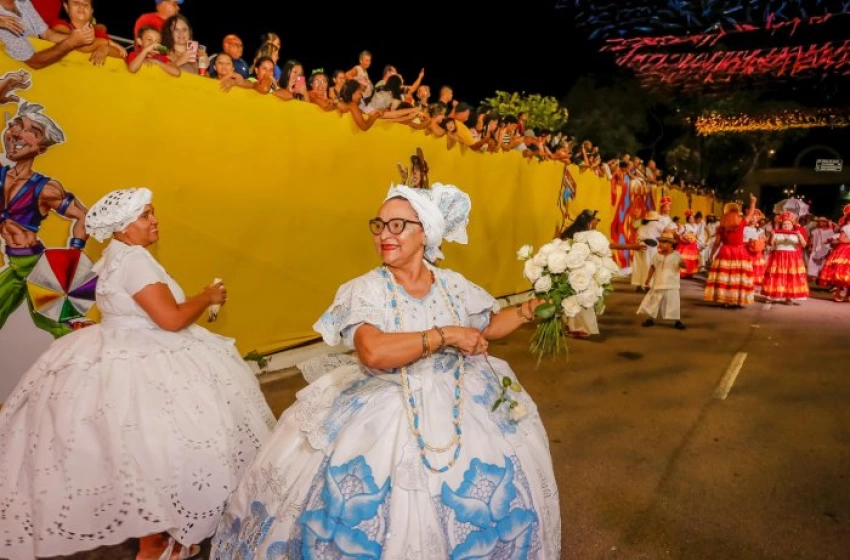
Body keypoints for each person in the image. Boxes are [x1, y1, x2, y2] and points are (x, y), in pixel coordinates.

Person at [211, 182, 561, 559]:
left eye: (398, 225)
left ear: (425, 232)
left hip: (463, 400)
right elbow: (372, 352)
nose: (384, 235)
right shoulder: (366, 289)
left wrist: (529, 310)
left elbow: (487, 326)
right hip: (383, 402)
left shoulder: (453, 285)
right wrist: (447, 335)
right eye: (379, 225)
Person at [0, 188, 276, 560]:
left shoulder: (114, 255)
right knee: (172, 447)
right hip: (149, 357)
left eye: (152, 213)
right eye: (145, 215)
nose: (154, 220)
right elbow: (170, 319)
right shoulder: (135, 262)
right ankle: (158, 545)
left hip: (116, 350)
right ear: (123, 227)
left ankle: (157, 539)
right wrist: (207, 297)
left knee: (136, 453)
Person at [0, 89, 89, 337]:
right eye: (17, 125)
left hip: (34, 265)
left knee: (59, 325)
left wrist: (73, 257)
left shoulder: (45, 188)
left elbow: (83, 216)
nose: (18, 132)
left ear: (42, 148)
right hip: (16, 266)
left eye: (33, 131)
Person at [561, 208, 645, 337]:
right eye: (595, 221)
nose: (597, 224)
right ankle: (577, 328)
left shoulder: (572, 234)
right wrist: (632, 247)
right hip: (584, 272)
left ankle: (571, 326)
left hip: (575, 271)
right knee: (583, 300)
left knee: (574, 299)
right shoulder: (588, 236)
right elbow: (608, 246)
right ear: (589, 222)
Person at [704, 196, 757, 308]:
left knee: (726, 276)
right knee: (738, 276)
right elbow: (750, 214)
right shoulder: (741, 223)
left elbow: (717, 243)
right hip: (740, 252)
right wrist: (753, 202)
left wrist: (712, 255)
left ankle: (726, 300)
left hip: (726, 251)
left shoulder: (721, 227)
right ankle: (737, 298)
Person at [638, 231, 687, 330]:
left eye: (664, 242)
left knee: (673, 302)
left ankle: (677, 320)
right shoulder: (657, 255)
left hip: (672, 284)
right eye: (660, 241)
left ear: (670, 244)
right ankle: (651, 318)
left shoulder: (676, 255)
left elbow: (683, 265)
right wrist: (648, 278)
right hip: (658, 282)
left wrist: (682, 264)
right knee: (654, 301)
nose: (660, 244)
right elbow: (653, 267)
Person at [762, 212, 809, 304]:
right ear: (781, 225)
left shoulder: (796, 233)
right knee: (777, 276)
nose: (786, 225)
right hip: (779, 256)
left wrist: (799, 235)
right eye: (784, 224)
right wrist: (772, 235)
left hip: (792, 258)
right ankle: (774, 295)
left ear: (792, 225)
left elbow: (804, 245)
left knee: (791, 277)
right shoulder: (776, 232)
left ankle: (789, 297)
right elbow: (771, 244)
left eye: (788, 224)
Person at [818, 205, 850, 301]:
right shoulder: (847, 227)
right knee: (841, 274)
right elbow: (841, 239)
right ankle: (838, 293)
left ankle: (848, 295)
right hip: (845, 251)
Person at [631, 210, 664, 292]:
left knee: (639, 265)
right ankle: (647, 285)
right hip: (650, 246)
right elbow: (666, 232)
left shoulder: (642, 224)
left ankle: (638, 284)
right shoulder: (657, 224)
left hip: (639, 245)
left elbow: (635, 228)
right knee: (649, 265)